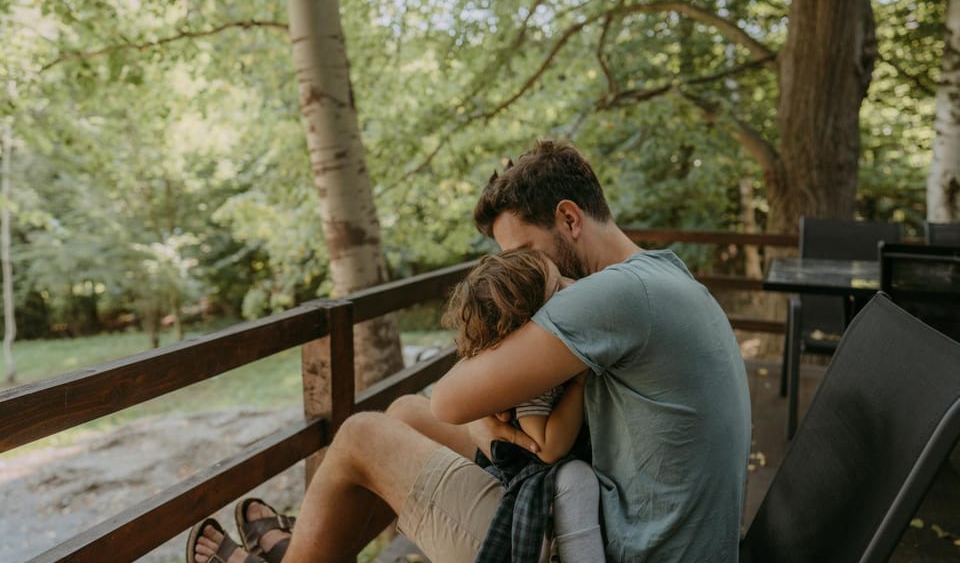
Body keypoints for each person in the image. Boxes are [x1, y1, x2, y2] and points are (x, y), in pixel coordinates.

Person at [186, 138, 752, 563]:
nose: (526, 276)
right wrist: (502, 429)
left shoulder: (613, 295)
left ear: (570, 219)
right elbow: (436, 406)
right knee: (405, 409)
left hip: (614, 548)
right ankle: (309, 553)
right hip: (628, 522)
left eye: (529, 253)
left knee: (361, 435)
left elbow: (454, 397)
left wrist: (497, 424)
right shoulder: (660, 276)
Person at [441, 247, 604, 561]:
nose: (572, 285)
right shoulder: (532, 385)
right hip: (533, 478)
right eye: (558, 288)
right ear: (531, 321)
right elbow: (547, 447)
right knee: (576, 478)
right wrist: (579, 384)